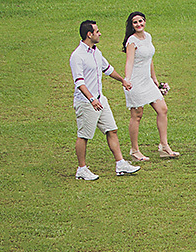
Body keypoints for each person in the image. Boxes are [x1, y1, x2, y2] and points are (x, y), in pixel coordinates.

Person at [70, 20, 140, 180]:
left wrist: (122, 80)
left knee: (112, 130)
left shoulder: (96, 52)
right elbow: (79, 82)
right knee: (84, 135)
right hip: (87, 102)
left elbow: (107, 69)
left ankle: (120, 164)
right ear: (89, 34)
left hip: (101, 100)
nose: (100, 33)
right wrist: (91, 99)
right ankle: (81, 169)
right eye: (97, 31)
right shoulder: (77, 56)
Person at [122, 12, 179, 160]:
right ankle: (134, 151)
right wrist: (127, 79)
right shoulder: (132, 41)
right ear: (132, 25)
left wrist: (154, 78)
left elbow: (150, 59)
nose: (139, 24)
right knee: (137, 115)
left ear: (145, 22)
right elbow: (129, 62)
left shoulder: (148, 37)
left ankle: (164, 146)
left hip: (147, 81)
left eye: (141, 21)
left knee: (163, 109)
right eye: (135, 22)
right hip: (135, 82)